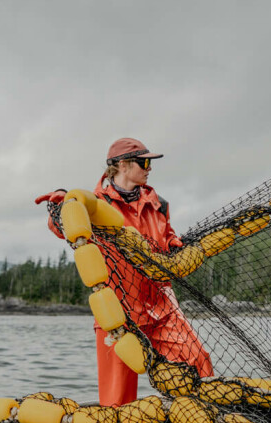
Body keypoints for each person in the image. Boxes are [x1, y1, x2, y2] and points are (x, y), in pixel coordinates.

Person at [36, 137, 213, 406]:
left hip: (162, 307)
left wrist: (175, 245)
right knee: (117, 400)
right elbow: (61, 227)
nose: (149, 168)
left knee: (198, 361)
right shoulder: (94, 203)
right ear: (122, 165)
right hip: (117, 316)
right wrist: (62, 207)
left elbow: (167, 237)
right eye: (144, 162)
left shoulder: (159, 203)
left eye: (149, 162)